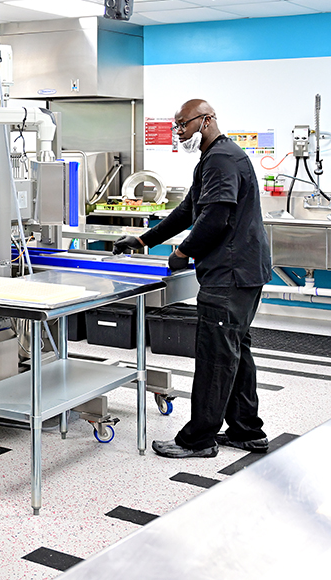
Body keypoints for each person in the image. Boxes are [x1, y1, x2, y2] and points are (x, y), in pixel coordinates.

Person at [114, 99, 271, 458]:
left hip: (230, 275)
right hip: (242, 272)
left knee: (216, 356)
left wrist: (183, 252)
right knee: (235, 351)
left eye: (183, 125)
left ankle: (198, 439)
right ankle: (247, 430)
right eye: (177, 126)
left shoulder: (222, 159)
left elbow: (215, 217)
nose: (179, 132)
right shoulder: (214, 157)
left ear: (207, 120)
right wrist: (143, 240)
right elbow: (188, 210)